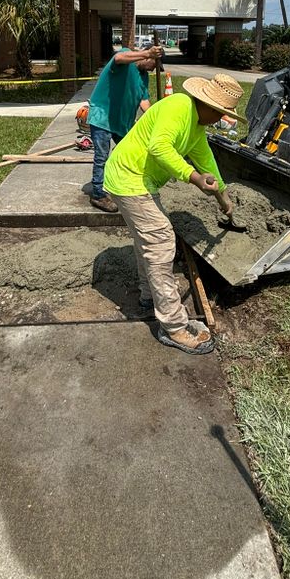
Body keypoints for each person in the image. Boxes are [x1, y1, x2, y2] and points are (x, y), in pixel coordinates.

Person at [104, 74, 245, 355]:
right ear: (208, 104)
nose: (219, 119)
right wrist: (192, 177)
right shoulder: (179, 106)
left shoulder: (196, 128)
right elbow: (159, 147)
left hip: (139, 182)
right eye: (220, 113)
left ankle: (148, 296)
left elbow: (209, 165)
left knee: (149, 242)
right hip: (129, 178)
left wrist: (224, 199)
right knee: (161, 241)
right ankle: (174, 327)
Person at [87, 43, 164, 212]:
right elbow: (118, 58)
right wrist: (147, 52)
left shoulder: (144, 77)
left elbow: (144, 102)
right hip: (103, 116)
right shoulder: (126, 56)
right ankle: (98, 194)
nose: (153, 70)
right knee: (102, 156)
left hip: (121, 124)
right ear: (148, 57)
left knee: (128, 154)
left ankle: (119, 185)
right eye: (155, 65)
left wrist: (156, 119)